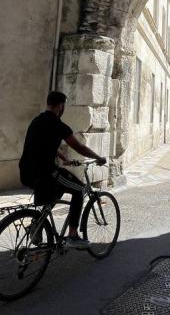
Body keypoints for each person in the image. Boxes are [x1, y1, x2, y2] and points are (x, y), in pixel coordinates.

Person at [18, 91, 107, 249]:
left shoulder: (36, 121)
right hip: (46, 173)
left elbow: (41, 145)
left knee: (58, 190)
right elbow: (79, 147)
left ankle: (37, 224)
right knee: (79, 189)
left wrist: (63, 157)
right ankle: (72, 236)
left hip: (27, 172)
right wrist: (98, 157)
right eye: (63, 106)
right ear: (61, 106)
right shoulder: (58, 125)